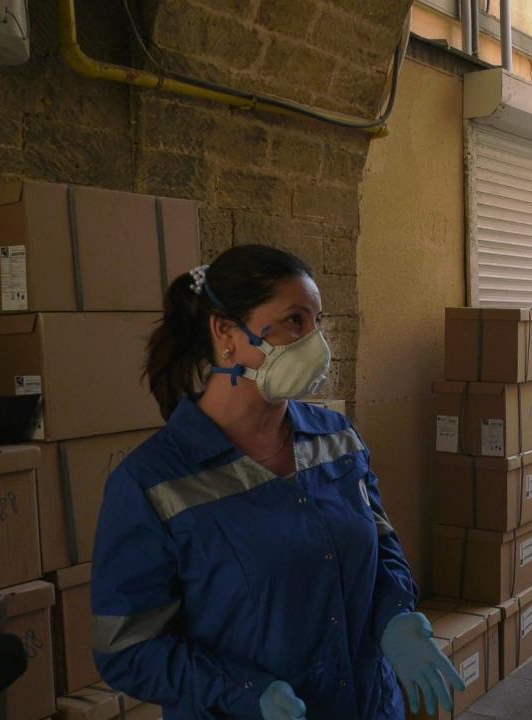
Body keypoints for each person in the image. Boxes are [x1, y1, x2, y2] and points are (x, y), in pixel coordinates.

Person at [90, 244, 464, 720]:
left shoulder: (337, 439)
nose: (315, 342)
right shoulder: (153, 483)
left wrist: (396, 616)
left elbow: (381, 542)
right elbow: (126, 649)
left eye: (316, 322)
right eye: (294, 321)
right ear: (225, 331)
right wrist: (245, 692)